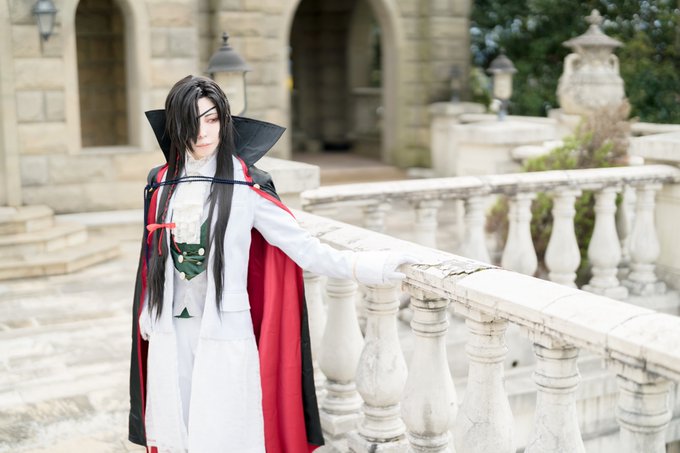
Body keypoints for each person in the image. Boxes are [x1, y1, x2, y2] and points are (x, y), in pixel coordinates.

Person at [127, 75, 413, 453]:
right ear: (176, 125)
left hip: (226, 324)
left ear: (224, 121)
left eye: (212, 119)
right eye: (191, 121)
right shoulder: (161, 182)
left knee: (226, 429)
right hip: (169, 327)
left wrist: (368, 267)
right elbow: (152, 256)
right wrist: (149, 306)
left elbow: (303, 249)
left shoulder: (245, 184)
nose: (202, 132)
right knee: (176, 423)